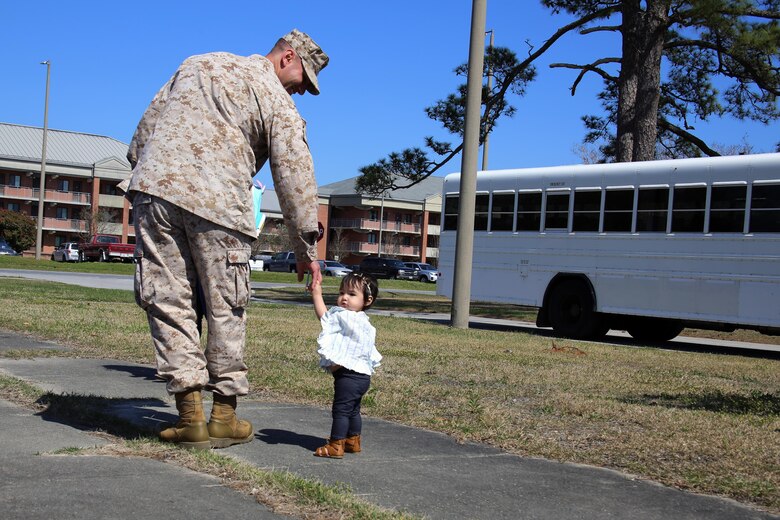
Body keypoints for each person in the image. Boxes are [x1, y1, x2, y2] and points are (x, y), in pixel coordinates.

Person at [122, 29, 328, 450]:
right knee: (226, 306)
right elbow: (296, 177)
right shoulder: (276, 99)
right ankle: (222, 418)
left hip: (156, 191)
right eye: (304, 80)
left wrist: (152, 174)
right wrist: (307, 251)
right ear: (288, 57)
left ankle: (189, 417)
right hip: (220, 204)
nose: (302, 91)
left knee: (168, 300)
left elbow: (144, 132)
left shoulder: (198, 62)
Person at [309, 272, 382, 458]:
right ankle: (353, 440)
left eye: (351, 294)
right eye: (342, 292)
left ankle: (335, 445)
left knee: (341, 410)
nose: (344, 298)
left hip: (348, 376)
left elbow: (324, 317)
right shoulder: (364, 321)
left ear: (367, 300)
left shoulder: (344, 316)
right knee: (353, 409)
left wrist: (317, 294)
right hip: (363, 376)